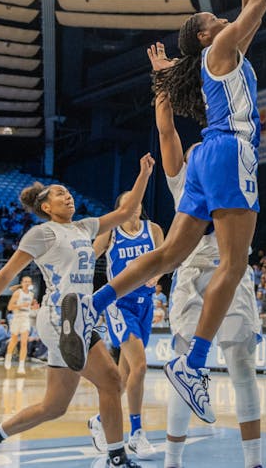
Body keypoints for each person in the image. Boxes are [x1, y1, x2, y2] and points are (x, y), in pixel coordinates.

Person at [60, 0, 266, 425]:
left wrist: (162, 79)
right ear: (204, 34)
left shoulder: (222, 54)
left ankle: (90, 307)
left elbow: (251, 13)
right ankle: (193, 363)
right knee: (234, 264)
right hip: (231, 150)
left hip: (205, 159)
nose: (226, 19)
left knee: (167, 256)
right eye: (217, 18)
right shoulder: (219, 49)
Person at [0, 155, 154, 468]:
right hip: (61, 315)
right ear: (46, 207)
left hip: (81, 316)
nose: (68, 196)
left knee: (55, 405)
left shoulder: (84, 228)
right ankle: (117, 458)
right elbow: (7, 273)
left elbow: (126, 211)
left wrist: (143, 173)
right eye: (60, 193)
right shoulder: (43, 233)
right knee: (112, 381)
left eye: (68, 192)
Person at [139, 42, 264, 468]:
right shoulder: (183, 175)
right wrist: (160, 81)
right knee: (183, 367)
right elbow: (166, 129)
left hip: (230, 268)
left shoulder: (234, 156)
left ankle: (254, 462)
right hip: (192, 273)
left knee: (241, 366)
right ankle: (173, 460)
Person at [89, 194, 164, 460]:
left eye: (138, 200)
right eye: (128, 201)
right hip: (119, 304)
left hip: (145, 304)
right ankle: (136, 433)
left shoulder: (153, 229)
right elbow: (90, 256)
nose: (135, 204)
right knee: (141, 366)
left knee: (125, 375)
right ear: (120, 207)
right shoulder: (111, 232)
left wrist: (157, 275)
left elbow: (164, 260)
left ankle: (99, 420)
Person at [5, 276, 38, 375]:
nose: (27, 283)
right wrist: (21, 305)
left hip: (25, 319)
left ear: (31, 283)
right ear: (22, 282)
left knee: (24, 343)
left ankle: (21, 366)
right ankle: (8, 356)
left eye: (29, 281)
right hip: (16, 318)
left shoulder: (31, 294)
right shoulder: (17, 293)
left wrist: (33, 307)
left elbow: (29, 307)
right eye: (25, 281)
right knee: (14, 341)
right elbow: (10, 307)